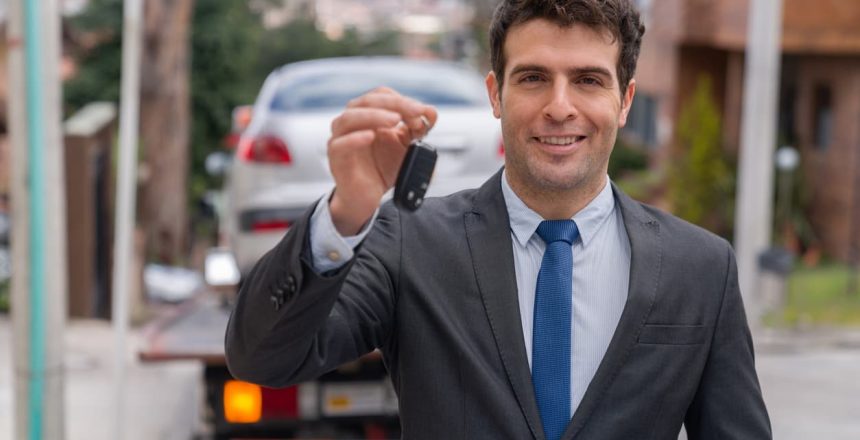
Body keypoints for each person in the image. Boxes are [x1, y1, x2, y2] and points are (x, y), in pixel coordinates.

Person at [225, 0, 772, 438]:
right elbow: (262, 359)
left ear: (625, 100)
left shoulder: (702, 267)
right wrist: (346, 212)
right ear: (496, 94)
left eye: (588, 80)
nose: (560, 106)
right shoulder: (407, 243)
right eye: (534, 78)